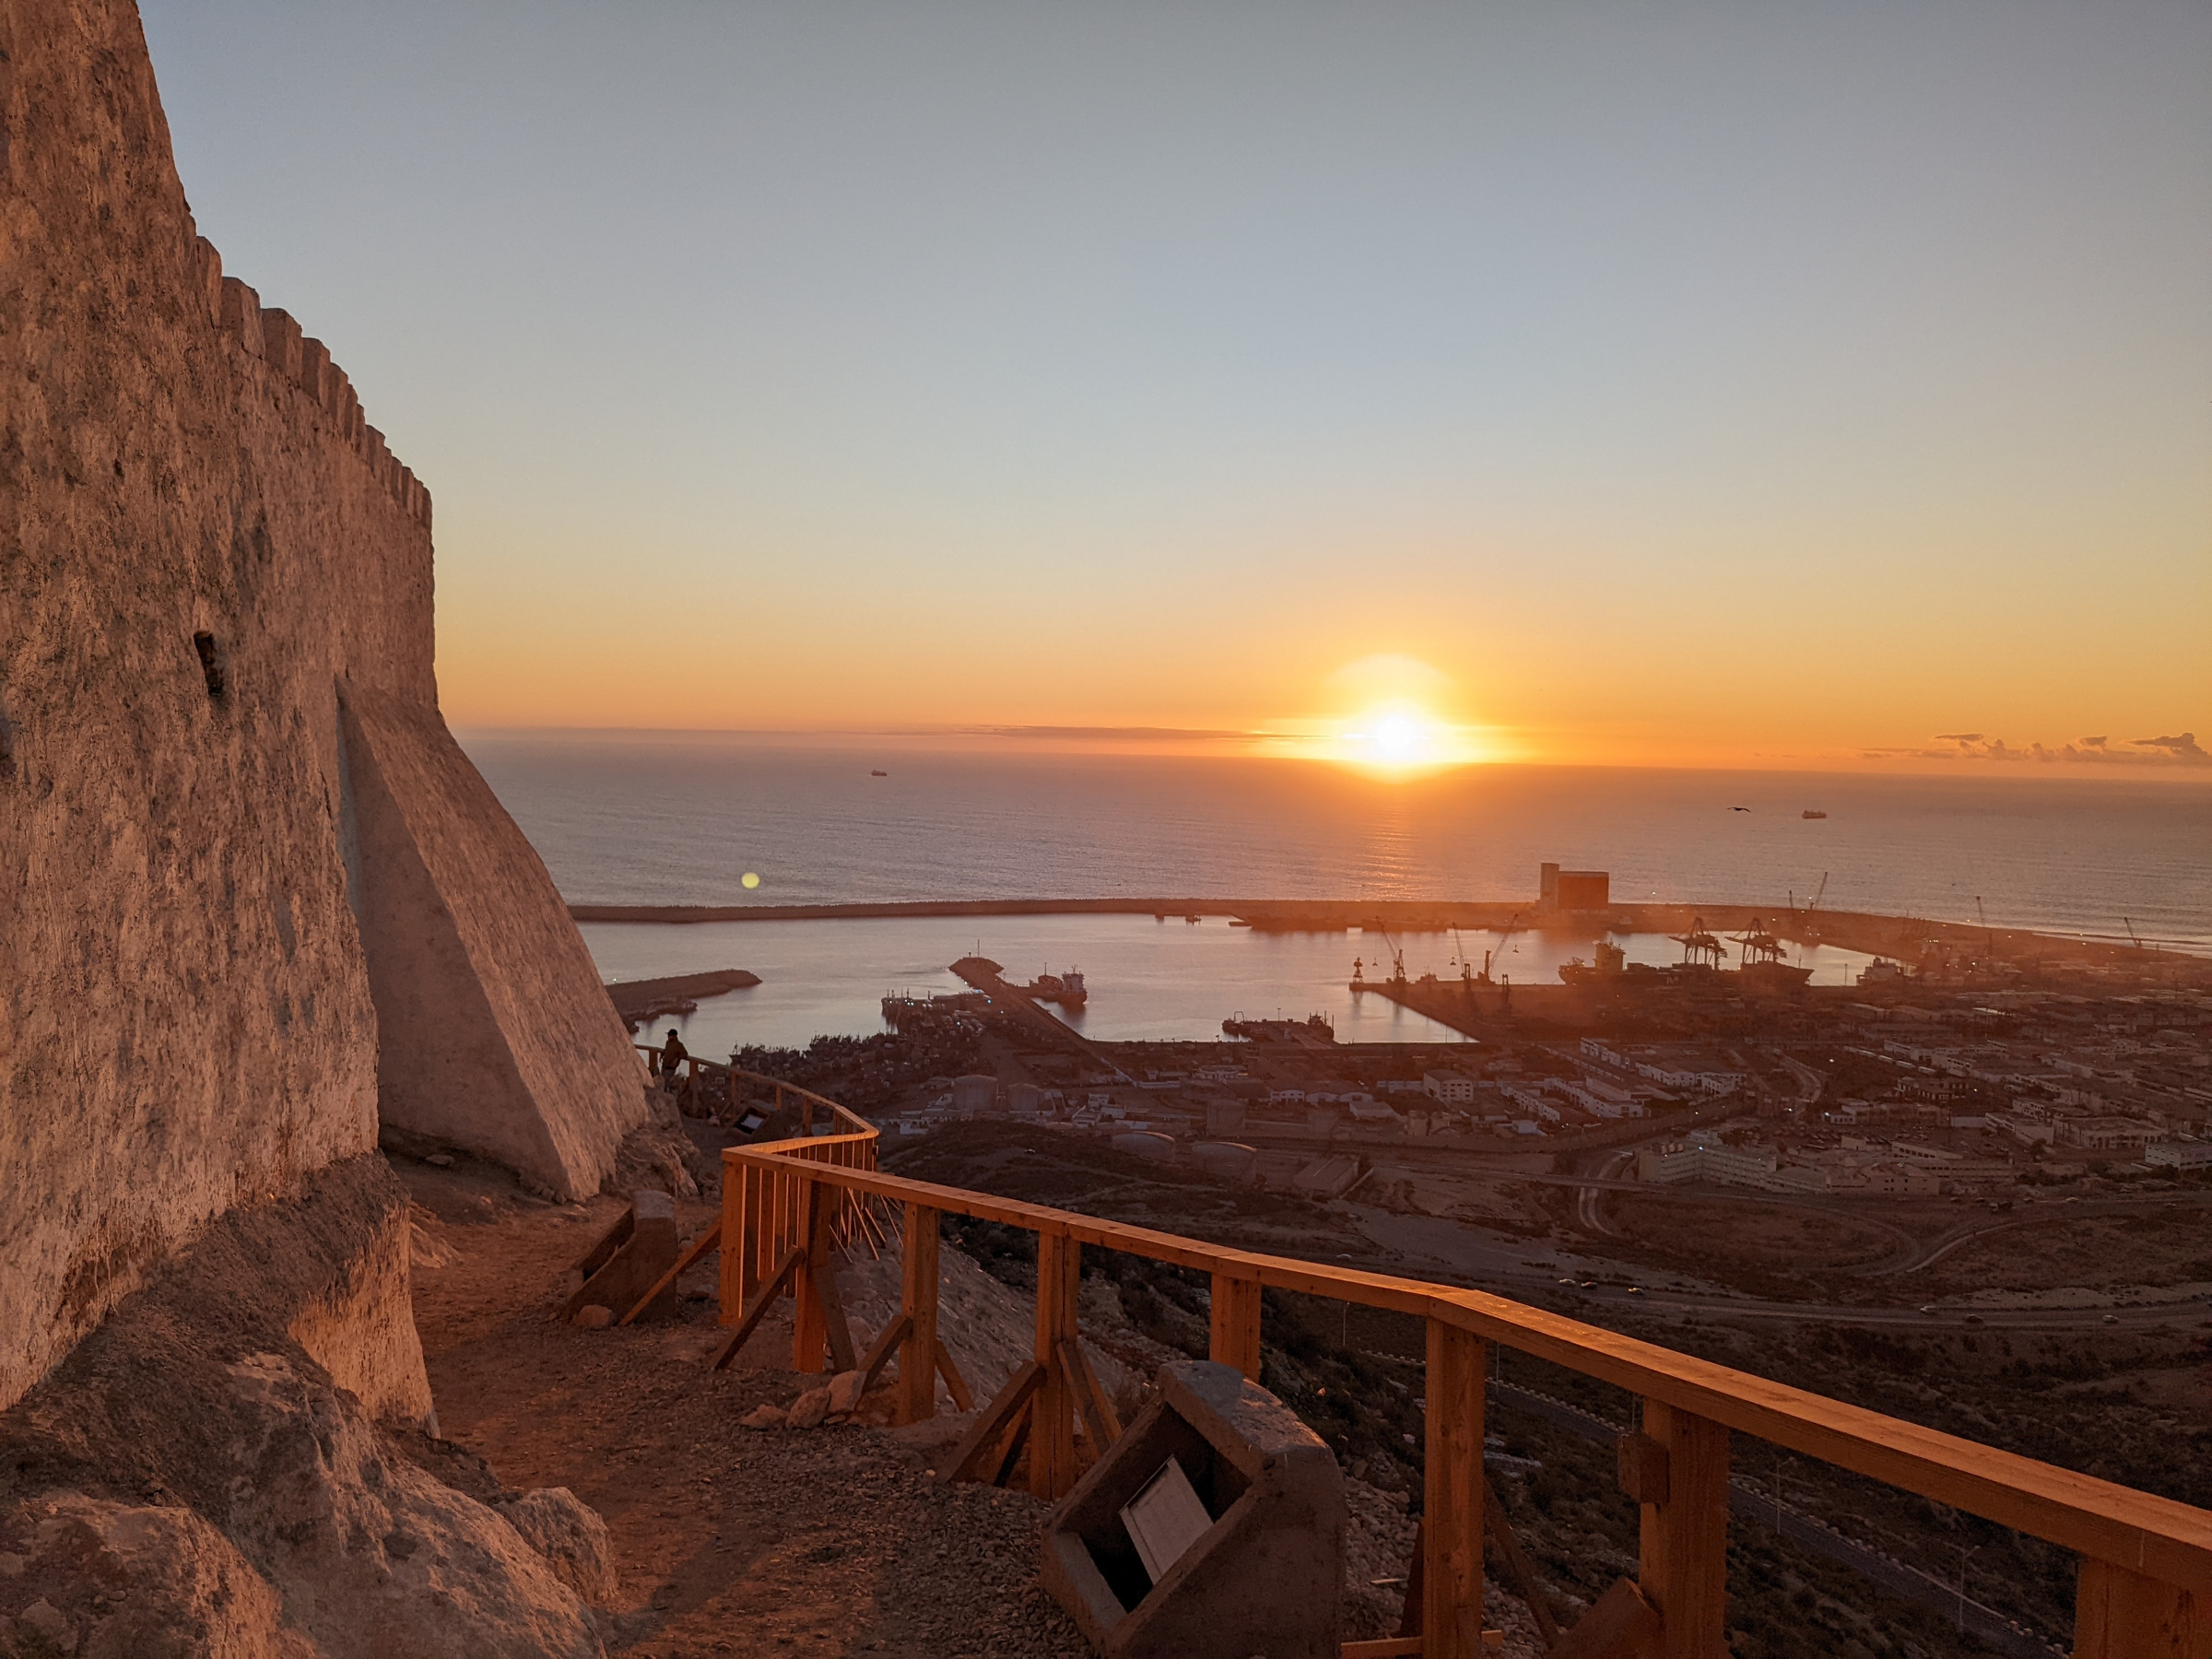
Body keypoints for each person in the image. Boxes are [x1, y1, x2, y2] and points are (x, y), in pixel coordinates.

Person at [659, 1028, 688, 1092]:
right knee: (663, 1081)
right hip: (664, 1065)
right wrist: (662, 1054)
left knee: (667, 1081)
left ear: (675, 1036)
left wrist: (677, 1058)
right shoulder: (668, 1043)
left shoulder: (679, 1045)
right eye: (668, 1035)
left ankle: (668, 1094)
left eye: (670, 1035)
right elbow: (666, 1050)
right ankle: (665, 1093)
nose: (669, 1036)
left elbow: (685, 1054)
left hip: (671, 1067)